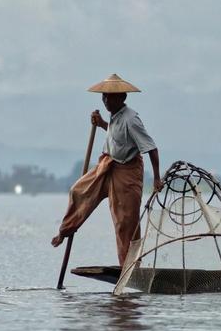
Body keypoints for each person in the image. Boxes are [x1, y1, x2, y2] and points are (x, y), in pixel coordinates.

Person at [51, 74, 163, 266]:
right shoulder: (115, 116)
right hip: (107, 164)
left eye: (109, 97)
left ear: (122, 98)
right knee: (79, 191)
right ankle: (65, 231)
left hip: (127, 172)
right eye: (103, 97)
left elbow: (151, 147)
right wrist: (102, 123)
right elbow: (116, 136)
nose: (105, 101)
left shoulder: (131, 119)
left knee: (125, 222)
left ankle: (129, 265)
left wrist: (157, 179)